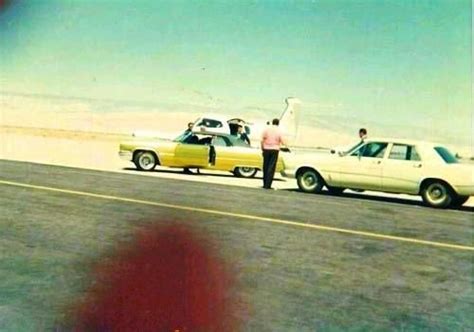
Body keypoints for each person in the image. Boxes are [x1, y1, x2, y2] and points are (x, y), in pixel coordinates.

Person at [260, 118, 285, 189]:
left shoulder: (267, 129)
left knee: (265, 166)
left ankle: (264, 183)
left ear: (272, 122)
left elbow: (262, 140)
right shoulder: (279, 131)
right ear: (278, 123)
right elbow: (282, 141)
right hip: (275, 149)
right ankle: (268, 185)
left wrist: (262, 148)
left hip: (266, 149)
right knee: (271, 167)